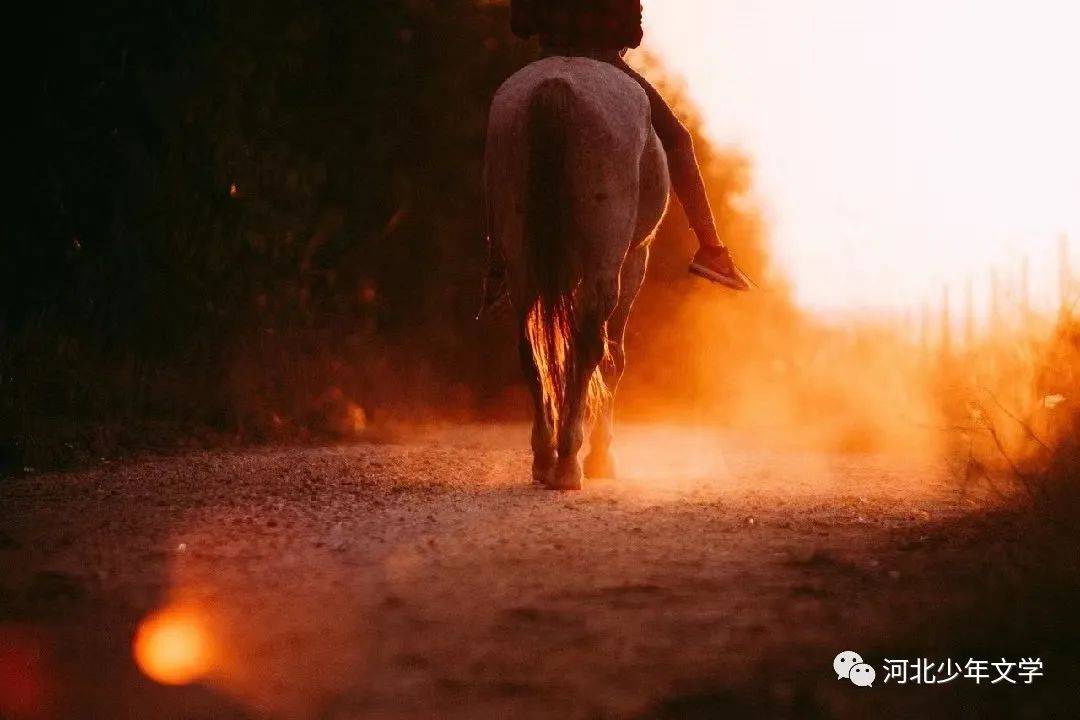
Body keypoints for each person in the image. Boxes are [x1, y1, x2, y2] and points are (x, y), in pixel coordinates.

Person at [480, 0, 751, 315]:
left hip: (547, 55)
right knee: (678, 140)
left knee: (498, 140)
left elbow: (520, 24)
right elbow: (632, 33)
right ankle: (710, 250)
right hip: (604, 59)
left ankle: (497, 262)